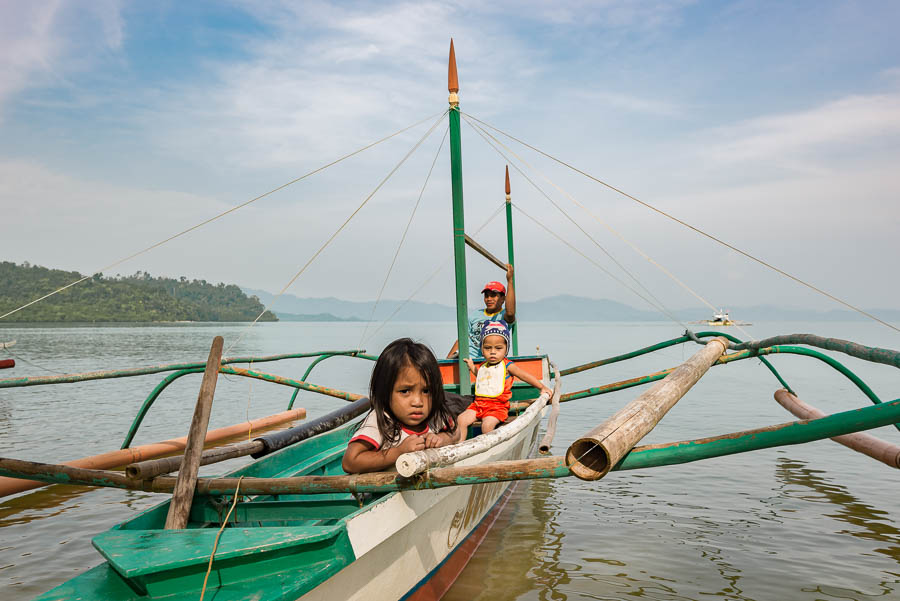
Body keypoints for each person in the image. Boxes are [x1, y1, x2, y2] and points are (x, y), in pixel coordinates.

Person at [342, 338, 458, 474]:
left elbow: (456, 432)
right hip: (388, 490)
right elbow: (350, 461)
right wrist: (399, 452)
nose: (418, 402)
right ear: (385, 391)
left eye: (426, 391)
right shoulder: (382, 421)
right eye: (405, 391)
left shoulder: (434, 415)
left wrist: (443, 439)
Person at [456, 321, 551, 442]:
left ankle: (489, 449)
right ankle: (460, 446)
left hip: (497, 407)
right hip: (478, 404)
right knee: (461, 420)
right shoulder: (483, 366)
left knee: (487, 426)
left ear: (506, 349)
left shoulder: (507, 366)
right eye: (487, 348)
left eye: (498, 348)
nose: (493, 352)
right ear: (482, 349)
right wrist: (472, 367)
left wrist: (541, 387)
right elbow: (481, 376)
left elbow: (524, 376)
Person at [447, 263, 516, 359]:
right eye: (486, 296)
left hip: (489, 359)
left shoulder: (503, 315)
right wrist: (447, 360)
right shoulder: (475, 315)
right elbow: (463, 339)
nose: (489, 299)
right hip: (467, 358)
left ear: (503, 299)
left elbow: (511, 313)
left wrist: (510, 281)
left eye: (493, 295)